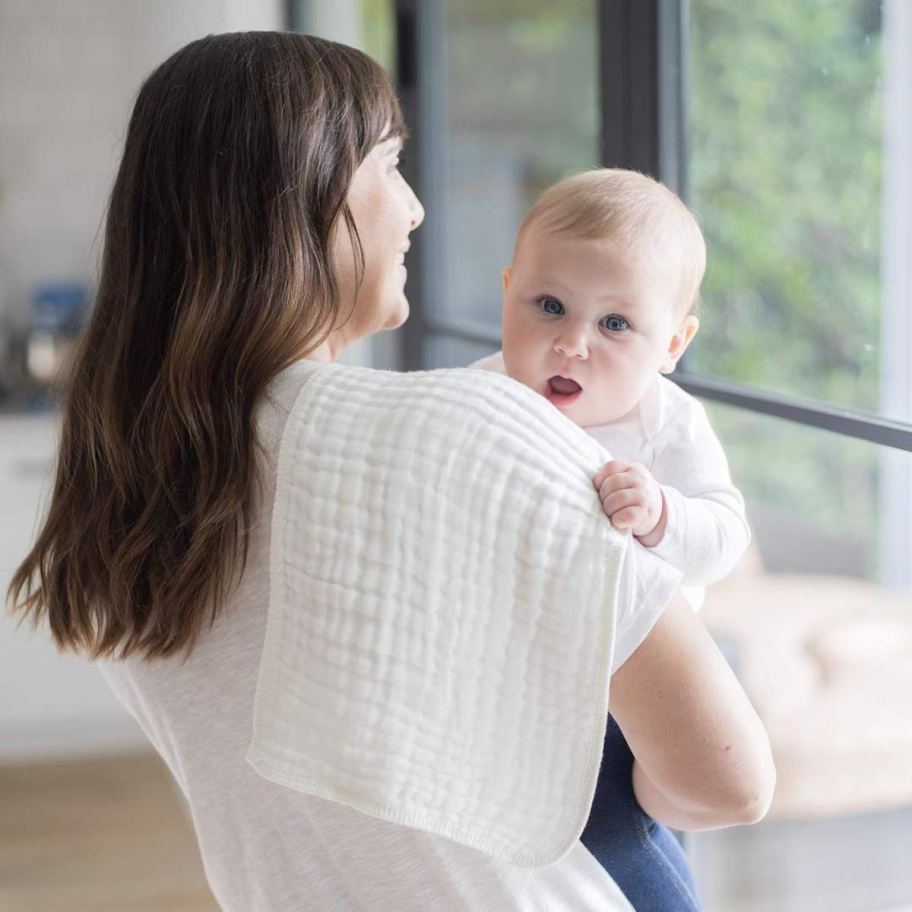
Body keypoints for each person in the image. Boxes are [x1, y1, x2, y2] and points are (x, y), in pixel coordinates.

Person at [5, 32, 775, 912]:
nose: (413, 209)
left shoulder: (128, 489)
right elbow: (729, 782)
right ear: (303, 195)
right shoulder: (480, 433)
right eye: (390, 164)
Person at [471, 168, 752, 909]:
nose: (571, 344)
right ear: (508, 292)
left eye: (615, 324)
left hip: (634, 675)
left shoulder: (668, 421)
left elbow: (723, 533)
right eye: (549, 306)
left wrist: (662, 513)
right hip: (518, 668)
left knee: (627, 831)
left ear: (672, 342)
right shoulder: (482, 393)